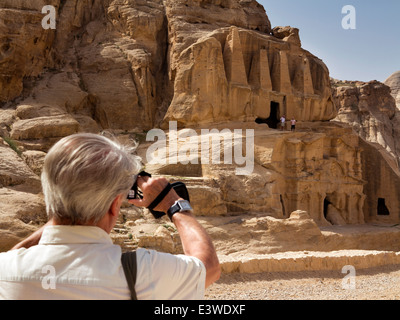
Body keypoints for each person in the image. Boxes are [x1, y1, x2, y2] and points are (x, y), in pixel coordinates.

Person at [0, 133, 220, 300]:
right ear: (115, 204)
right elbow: (208, 267)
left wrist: (64, 205)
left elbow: (13, 257)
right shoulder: (139, 271)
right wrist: (174, 204)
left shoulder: (7, 269)